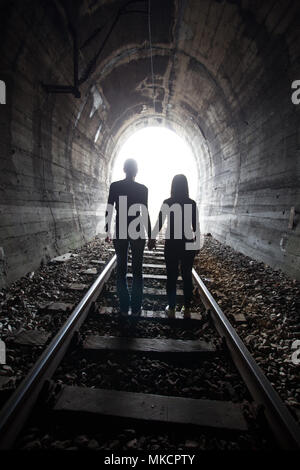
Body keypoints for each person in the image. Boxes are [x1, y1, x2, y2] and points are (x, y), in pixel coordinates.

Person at [105, 158, 155, 316]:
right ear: (136, 171)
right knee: (137, 270)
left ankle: (124, 305)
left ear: (124, 169)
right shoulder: (143, 189)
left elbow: (109, 209)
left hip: (120, 229)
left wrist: (107, 230)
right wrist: (151, 236)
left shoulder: (115, 186)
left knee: (121, 269)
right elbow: (145, 211)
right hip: (138, 230)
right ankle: (136, 307)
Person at [152, 174, 200, 319]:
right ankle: (186, 310)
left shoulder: (168, 202)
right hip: (187, 242)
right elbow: (196, 226)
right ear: (186, 186)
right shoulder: (191, 203)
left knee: (171, 276)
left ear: (173, 186)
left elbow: (159, 222)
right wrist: (197, 244)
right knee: (186, 276)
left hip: (172, 243)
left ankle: (172, 309)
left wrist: (152, 238)